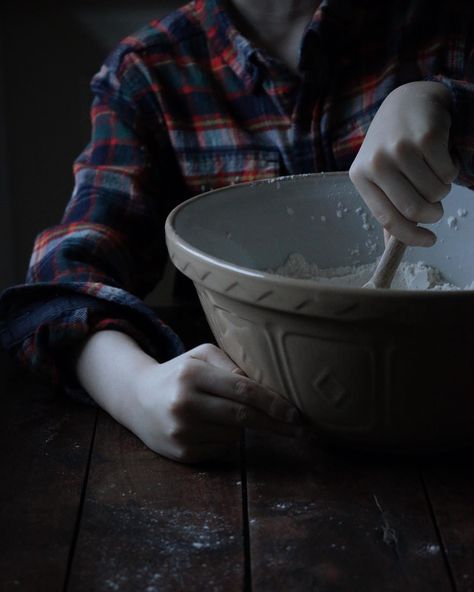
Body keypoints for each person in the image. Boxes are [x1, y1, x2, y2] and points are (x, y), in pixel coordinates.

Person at [0, 0, 473, 462]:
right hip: (248, 445)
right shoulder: (150, 73)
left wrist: (448, 102)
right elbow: (62, 281)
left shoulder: (450, 30)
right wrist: (136, 390)